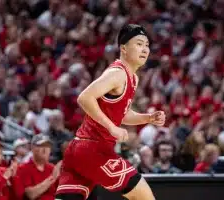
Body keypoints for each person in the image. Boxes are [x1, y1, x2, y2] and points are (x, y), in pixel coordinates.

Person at [55, 24, 166, 200]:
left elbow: (123, 114)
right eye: (139, 44)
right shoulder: (118, 73)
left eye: (146, 45)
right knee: (144, 195)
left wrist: (148, 118)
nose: (145, 49)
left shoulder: (132, 78)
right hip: (94, 150)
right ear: (123, 48)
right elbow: (84, 98)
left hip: (79, 149)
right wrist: (112, 128)